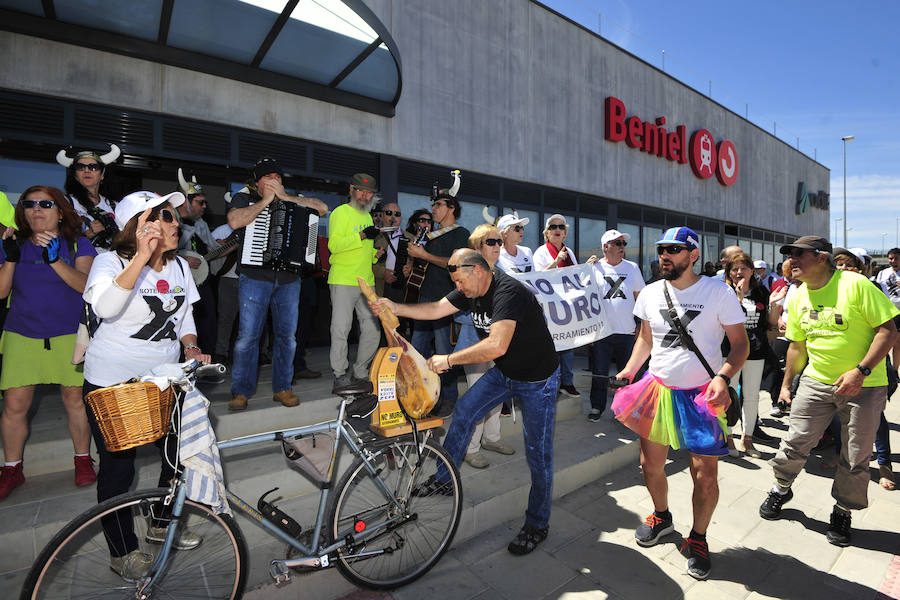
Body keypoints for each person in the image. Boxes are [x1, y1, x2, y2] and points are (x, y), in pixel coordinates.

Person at [369, 248, 560, 556]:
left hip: (538, 381)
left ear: (478, 271)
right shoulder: (469, 287)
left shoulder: (508, 291)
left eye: (459, 280)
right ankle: (445, 480)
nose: (457, 288)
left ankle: (537, 524)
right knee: (465, 411)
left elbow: (496, 345)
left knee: (539, 455)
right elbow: (434, 309)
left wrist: (450, 359)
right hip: (507, 373)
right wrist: (395, 307)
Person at [81, 190, 209, 580]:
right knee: (119, 468)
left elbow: (184, 315)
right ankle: (123, 553)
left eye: (174, 216)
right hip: (114, 383)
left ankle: (160, 521)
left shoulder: (180, 267)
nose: (176, 223)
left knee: (177, 453)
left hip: (165, 379)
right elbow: (105, 308)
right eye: (165, 216)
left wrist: (191, 345)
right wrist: (140, 257)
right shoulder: (108, 262)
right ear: (138, 225)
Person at [611, 226, 748, 580]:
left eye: (674, 250)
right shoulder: (651, 293)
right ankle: (661, 516)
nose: (665, 256)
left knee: (704, 476)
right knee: (650, 465)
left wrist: (723, 377)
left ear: (693, 255)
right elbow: (645, 338)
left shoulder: (718, 292)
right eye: (662, 250)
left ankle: (698, 539)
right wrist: (629, 370)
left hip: (704, 394)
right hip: (656, 391)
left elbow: (740, 344)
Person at [758, 236, 898, 547]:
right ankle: (782, 488)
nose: (792, 260)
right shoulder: (797, 296)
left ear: (821, 258)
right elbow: (797, 345)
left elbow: (888, 331)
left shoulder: (855, 284)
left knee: (856, 455)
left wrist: (860, 371)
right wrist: (785, 384)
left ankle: (842, 511)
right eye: (790, 255)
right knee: (795, 441)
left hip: (865, 386)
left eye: (799, 254)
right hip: (815, 381)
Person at [0, 186, 97, 500]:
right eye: (28, 204)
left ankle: (83, 460)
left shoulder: (78, 243)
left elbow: (86, 287)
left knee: (75, 402)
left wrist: (54, 259)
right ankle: (12, 468)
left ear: (60, 211)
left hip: (69, 334)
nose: (36, 209)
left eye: (45, 203)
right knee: (15, 406)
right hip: (22, 333)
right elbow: (2, 293)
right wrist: (10, 259)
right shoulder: (11, 243)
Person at [226, 157, 327, 411]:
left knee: (287, 337)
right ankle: (241, 391)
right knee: (248, 337)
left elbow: (322, 208)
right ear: (257, 182)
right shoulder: (245, 199)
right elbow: (235, 221)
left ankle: (283, 387)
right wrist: (265, 202)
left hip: (289, 279)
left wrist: (287, 198)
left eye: (278, 177)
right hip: (254, 277)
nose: (275, 181)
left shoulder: (295, 199)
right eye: (268, 177)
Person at [406, 185, 470, 416]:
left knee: (444, 353)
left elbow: (454, 264)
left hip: (446, 301)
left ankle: (448, 398)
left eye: (438, 205)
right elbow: (426, 264)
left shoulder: (461, 234)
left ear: (451, 208)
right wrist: (412, 266)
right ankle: (419, 393)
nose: (433, 209)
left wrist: (424, 255)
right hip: (425, 297)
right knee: (417, 350)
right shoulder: (431, 234)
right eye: (433, 205)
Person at [457, 225, 516, 469]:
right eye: (491, 242)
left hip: (500, 347)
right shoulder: (465, 275)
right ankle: (470, 449)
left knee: (497, 397)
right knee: (477, 398)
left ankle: (492, 439)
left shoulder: (504, 275)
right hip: (475, 346)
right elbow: (455, 314)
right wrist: (487, 314)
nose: (497, 247)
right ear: (477, 248)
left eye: (499, 242)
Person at [327, 173, 382, 393]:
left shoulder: (368, 217)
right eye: (361, 190)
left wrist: (376, 255)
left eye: (369, 192)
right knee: (341, 329)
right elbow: (334, 246)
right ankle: (339, 374)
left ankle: (360, 372)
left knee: (373, 330)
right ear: (351, 190)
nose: (365, 195)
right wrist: (360, 236)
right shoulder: (340, 213)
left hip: (366, 282)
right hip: (343, 279)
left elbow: (363, 254)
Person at [588, 229, 644, 422]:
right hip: (602, 332)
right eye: (618, 243)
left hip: (627, 331)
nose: (622, 247)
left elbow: (641, 299)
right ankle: (597, 407)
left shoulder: (632, 268)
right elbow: (585, 299)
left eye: (623, 243)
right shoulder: (594, 268)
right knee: (600, 372)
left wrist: (642, 326)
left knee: (627, 374)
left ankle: (626, 410)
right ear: (606, 247)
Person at [723, 252, 771, 458]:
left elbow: (767, 322)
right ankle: (728, 438)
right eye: (735, 269)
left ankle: (747, 439)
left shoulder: (761, 291)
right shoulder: (724, 292)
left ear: (752, 270)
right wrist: (738, 299)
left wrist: (776, 305)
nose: (739, 272)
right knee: (729, 394)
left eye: (743, 268)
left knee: (751, 396)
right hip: (730, 350)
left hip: (756, 349)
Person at [533, 214, 584, 398]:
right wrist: (555, 262)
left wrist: (589, 267)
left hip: (566, 307)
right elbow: (536, 279)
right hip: (548, 308)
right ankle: (549, 385)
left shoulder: (568, 253)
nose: (557, 230)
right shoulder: (541, 252)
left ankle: (567, 383)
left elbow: (576, 276)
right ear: (547, 233)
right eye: (553, 227)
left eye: (561, 227)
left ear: (565, 233)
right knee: (550, 348)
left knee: (568, 346)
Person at [175, 169, 219, 354]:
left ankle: (206, 362)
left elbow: (212, 248)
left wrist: (228, 244)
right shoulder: (171, 219)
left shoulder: (201, 223)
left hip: (200, 281)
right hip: (177, 282)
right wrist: (183, 259)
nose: (204, 207)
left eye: (205, 203)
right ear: (186, 201)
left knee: (208, 319)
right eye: (199, 203)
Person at [56, 144, 121, 250]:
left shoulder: (115, 206)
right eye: (80, 167)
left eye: (93, 167)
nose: (87, 170)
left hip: (112, 263)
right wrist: (87, 234)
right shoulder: (65, 202)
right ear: (75, 174)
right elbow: (56, 239)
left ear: (102, 175)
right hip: (80, 263)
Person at [875, 247, 900, 370]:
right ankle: (883, 367)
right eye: (890, 258)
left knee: (898, 343)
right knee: (885, 341)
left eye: (896, 258)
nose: (893, 261)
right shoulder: (883, 273)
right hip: (887, 312)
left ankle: (895, 370)